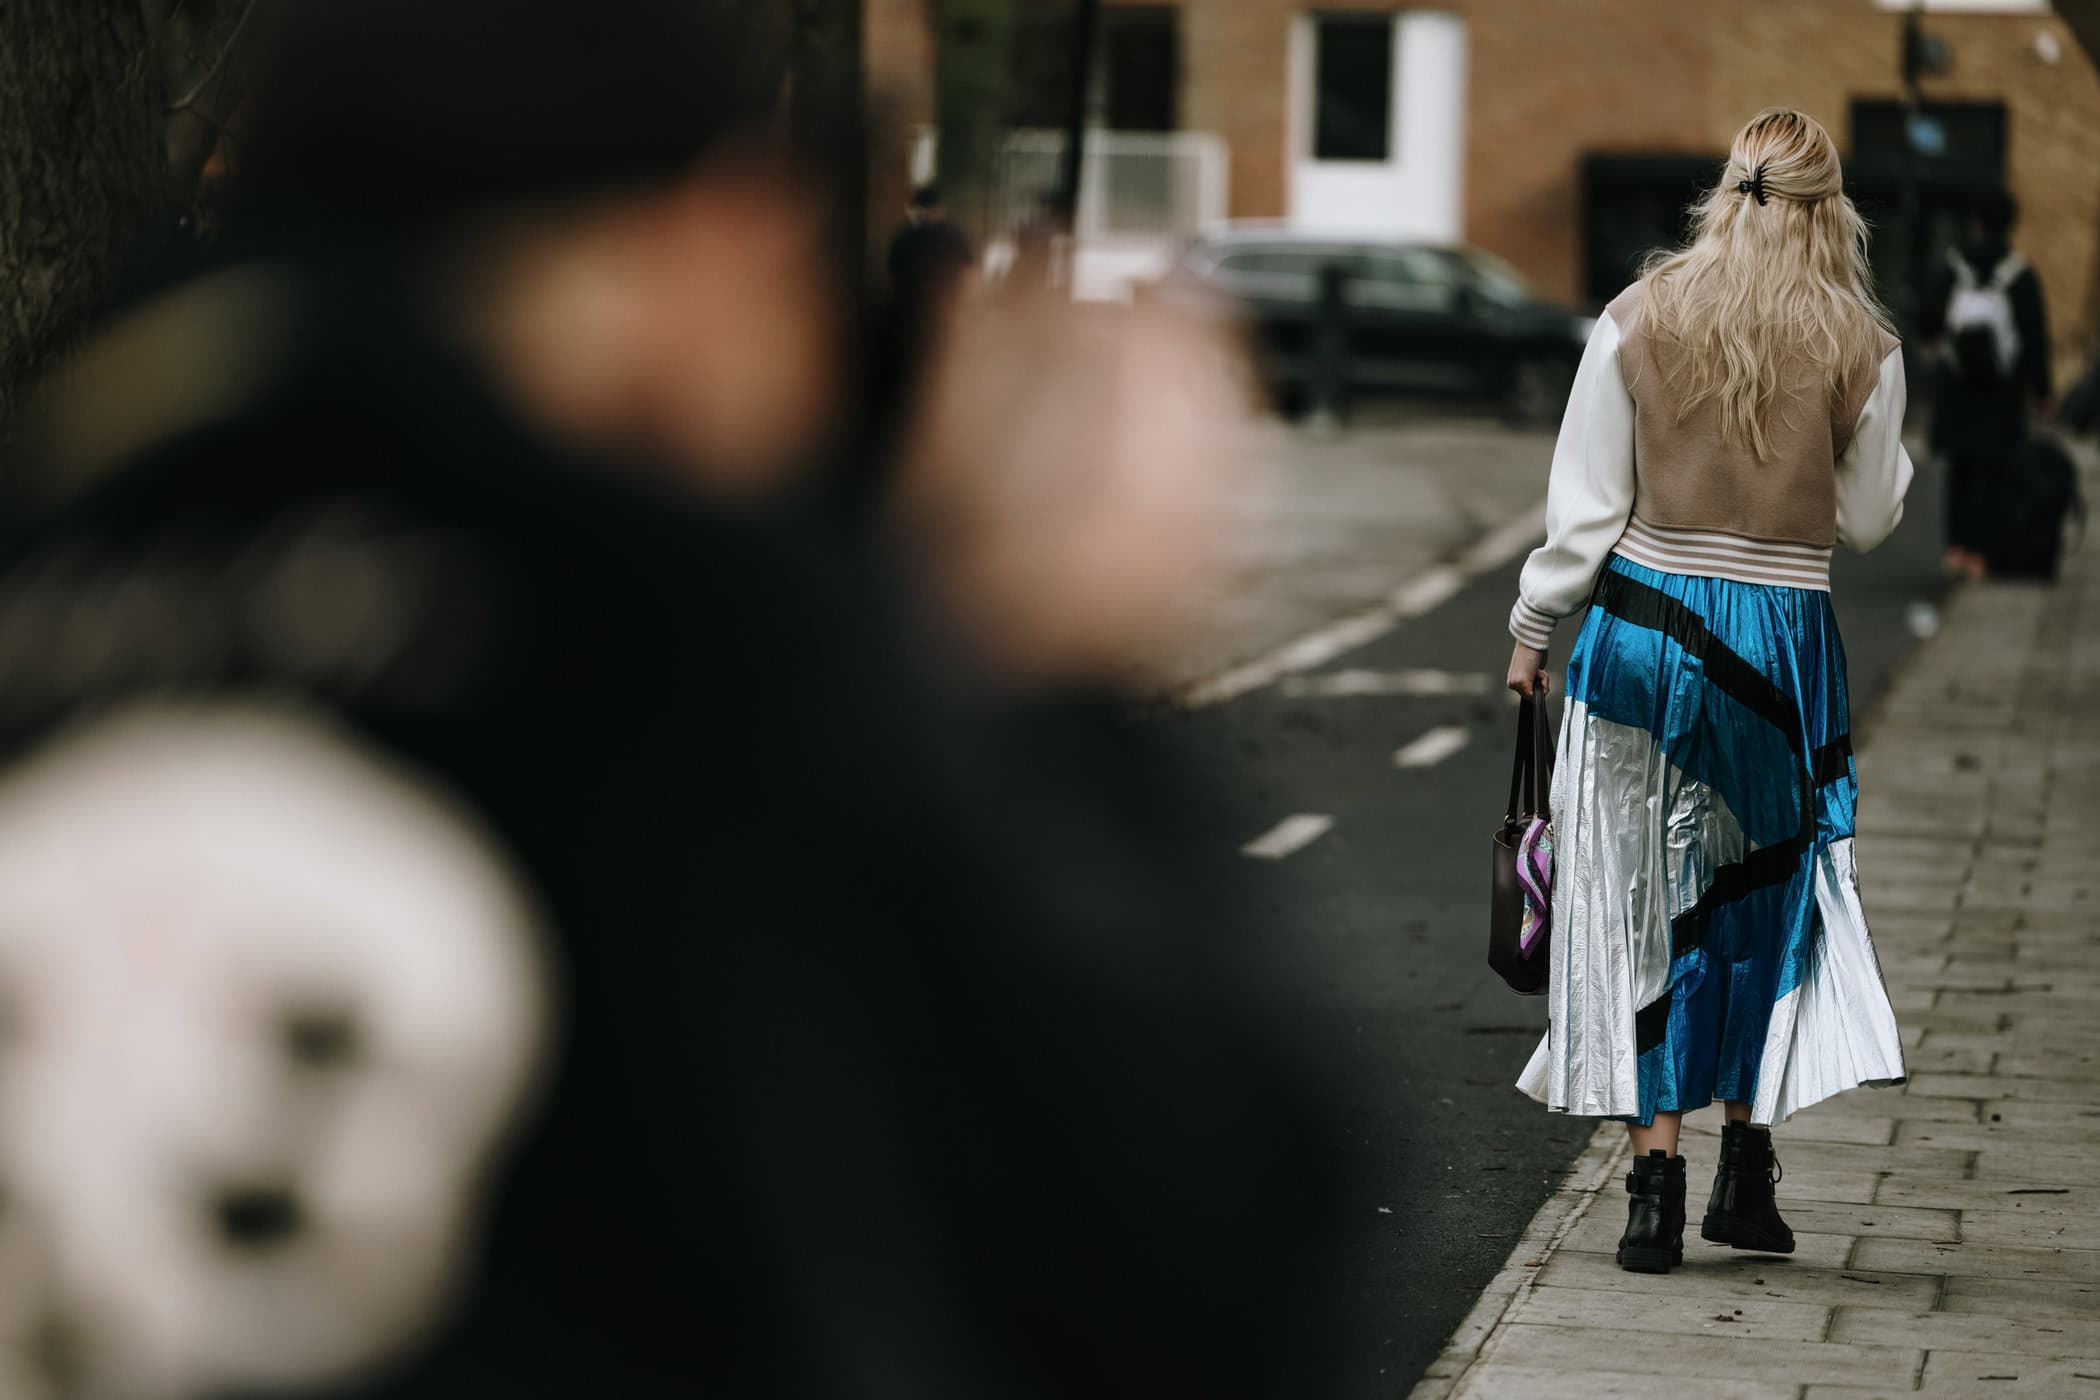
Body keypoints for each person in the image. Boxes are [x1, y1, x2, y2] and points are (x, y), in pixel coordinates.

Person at [0, 2, 1354, 1395]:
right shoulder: (660, 608)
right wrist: (1052, 659)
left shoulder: (56, 532)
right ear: (715, 221)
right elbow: (1187, 1248)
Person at [1501, 109, 1910, 1276]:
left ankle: (1650, 1188)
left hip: (1642, 630)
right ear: (1834, 211)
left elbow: (1584, 510)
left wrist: (1536, 627)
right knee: (1762, 894)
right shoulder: (1863, 344)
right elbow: (1874, 519)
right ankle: (1748, 1170)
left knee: (1642, 894)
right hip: (1779, 642)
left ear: (1723, 194)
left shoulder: (1638, 317)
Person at [1920, 189, 2053, 579]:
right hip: (2001, 392)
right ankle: (1982, 553)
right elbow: (2034, 337)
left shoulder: (1951, 266)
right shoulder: (2020, 273)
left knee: (1960, 472)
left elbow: (1928, 320)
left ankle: (1956, 549)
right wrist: (2042, 391)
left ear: (1975, 222)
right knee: (1995, 472)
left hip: (1958, 388)